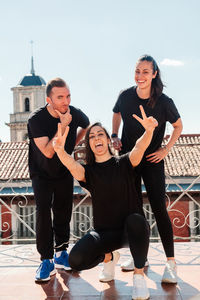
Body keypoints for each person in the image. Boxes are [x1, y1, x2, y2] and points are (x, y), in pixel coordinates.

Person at [53, 105, 158, 300]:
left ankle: (138, 277)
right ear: (89, 145)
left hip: (131, 231)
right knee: (75, 260)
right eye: (91, 136)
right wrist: (60, 151)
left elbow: (139, 147)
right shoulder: (89, 172)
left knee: (136, 220)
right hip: (104, 234)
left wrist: (149, 130)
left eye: (100, 134)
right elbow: (72, 165)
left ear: (108, 139)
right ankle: (110, 257)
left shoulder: (126, 163)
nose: (96, 138)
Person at [112, 54, 183, 283]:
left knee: (159, 210)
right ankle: (140, 257)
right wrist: (114, 135)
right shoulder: (125, 96)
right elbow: (116, 112)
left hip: (152, 160)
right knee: (134, 211)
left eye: (145, 71)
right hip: (130, 160)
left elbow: (178, 126)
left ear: (154, 74)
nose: (140, 76)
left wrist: (166, 149)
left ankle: (171, 264)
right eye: (137, 71)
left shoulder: (164, 101)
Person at [27, 77, 89, 281]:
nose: (65, 101)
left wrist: (73, 144)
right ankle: (46, 260)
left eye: (68, 96)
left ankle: (61, 253)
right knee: (43, 211)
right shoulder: (36, 120)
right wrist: (62, 127)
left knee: (63, 209)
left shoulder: (74, 113)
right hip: (42, 173)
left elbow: (86, 125)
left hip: (63, 171)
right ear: (49, 99)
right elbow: (47, 152)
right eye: (60, 97)